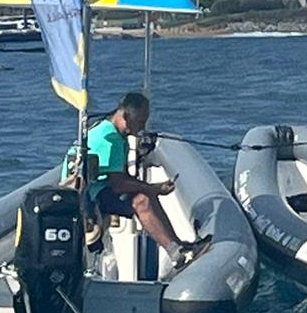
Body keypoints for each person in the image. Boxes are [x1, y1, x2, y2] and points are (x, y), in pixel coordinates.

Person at [63, 91, 209, 269]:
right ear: (124, 116)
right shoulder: (110, 140)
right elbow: (118, 184)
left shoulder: (108, 130)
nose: (141, 127)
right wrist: (153, 188)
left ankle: (178, 245)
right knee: (143, 200)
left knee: (146, 194)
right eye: (139, 122)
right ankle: (176, 253)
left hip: (96, 187)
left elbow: (119, 177)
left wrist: (150, 188)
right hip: (88, 196)